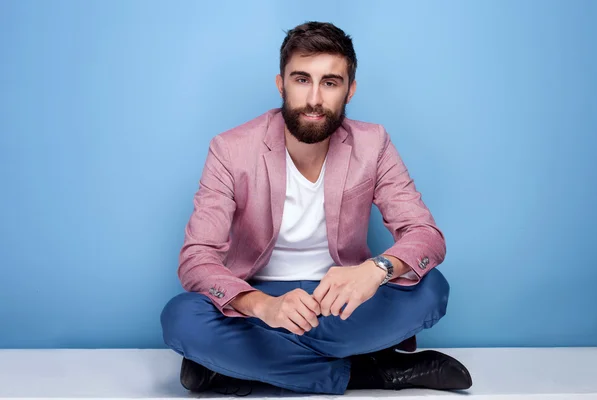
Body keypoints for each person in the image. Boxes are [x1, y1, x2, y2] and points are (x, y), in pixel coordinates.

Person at [160, 21, 472, 396]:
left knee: (432, 289)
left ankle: (236, 369)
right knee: (181, 318)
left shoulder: (373, 144)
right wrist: (261, 306)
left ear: (349, 91)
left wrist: (374, 271)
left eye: (330, 82)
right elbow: (196, 258)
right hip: (262, 304)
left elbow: (425, 235)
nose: (313, 99)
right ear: (281, 84)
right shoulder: (230, 149)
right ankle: (373, 373)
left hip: (342, 302)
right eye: (302, 79)